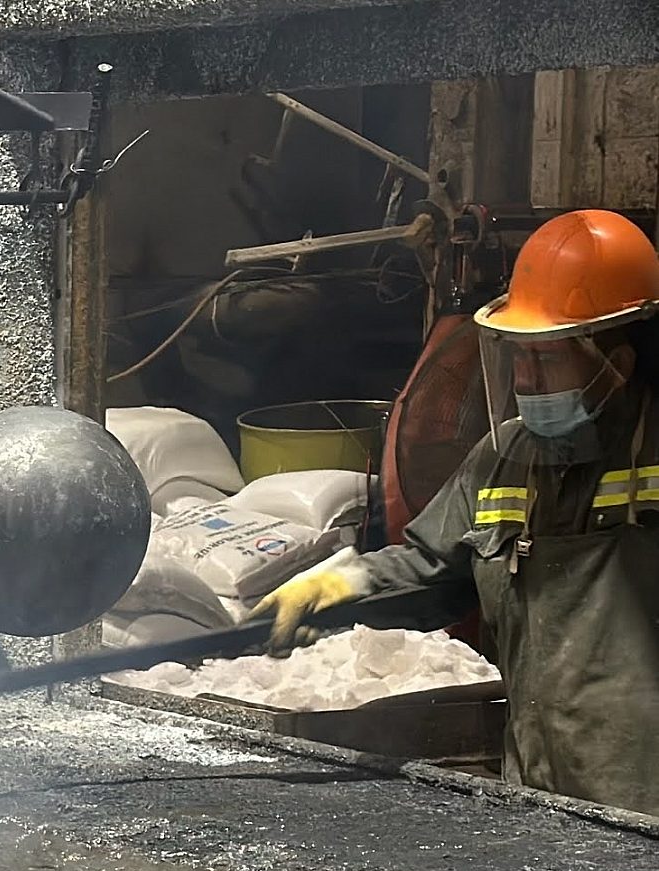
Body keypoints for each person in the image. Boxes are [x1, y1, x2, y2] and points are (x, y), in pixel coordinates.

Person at [254, 209, 659, 814]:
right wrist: (339, 588)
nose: (526, 379)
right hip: (540, 795)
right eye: (517, 355)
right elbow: (430, 569)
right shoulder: (503, 459)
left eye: (548, 357)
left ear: (617, 365)